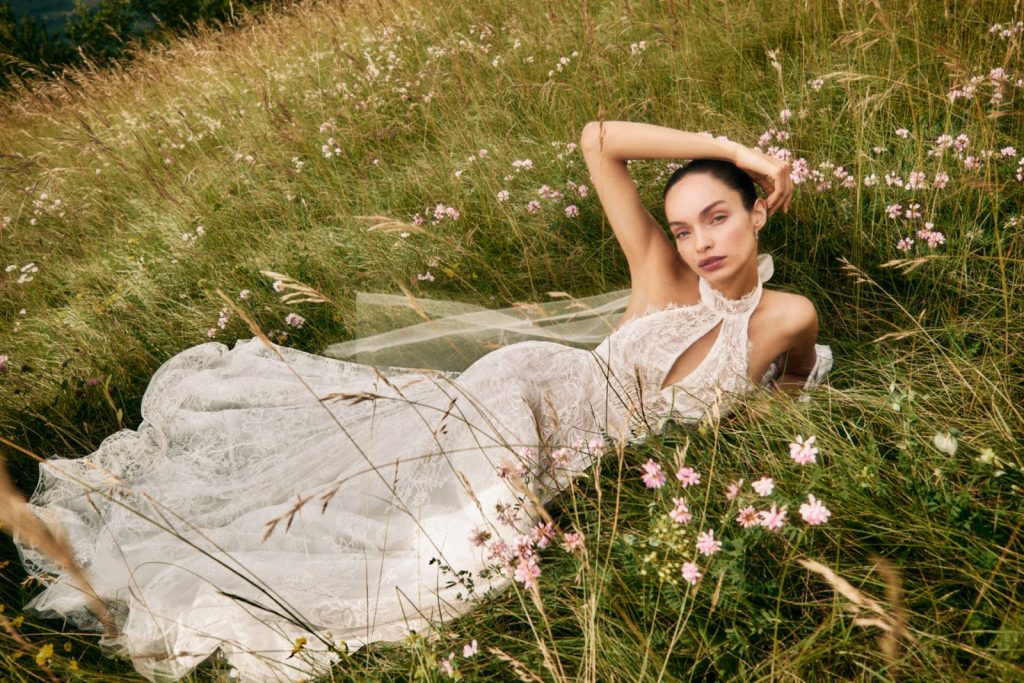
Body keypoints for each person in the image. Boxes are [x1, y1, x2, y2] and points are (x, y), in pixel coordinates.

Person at [11, 120, 832, 682]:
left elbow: (792, 384)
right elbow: (598, 138)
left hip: (576, 456)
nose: (702, 241)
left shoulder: (788, 315)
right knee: (426, 536)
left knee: (436, 548)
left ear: (759, 211)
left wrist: (762, 415)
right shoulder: (661, 274)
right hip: (525, 397)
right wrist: (736, 150)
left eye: (719, 216)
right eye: (686, 226)